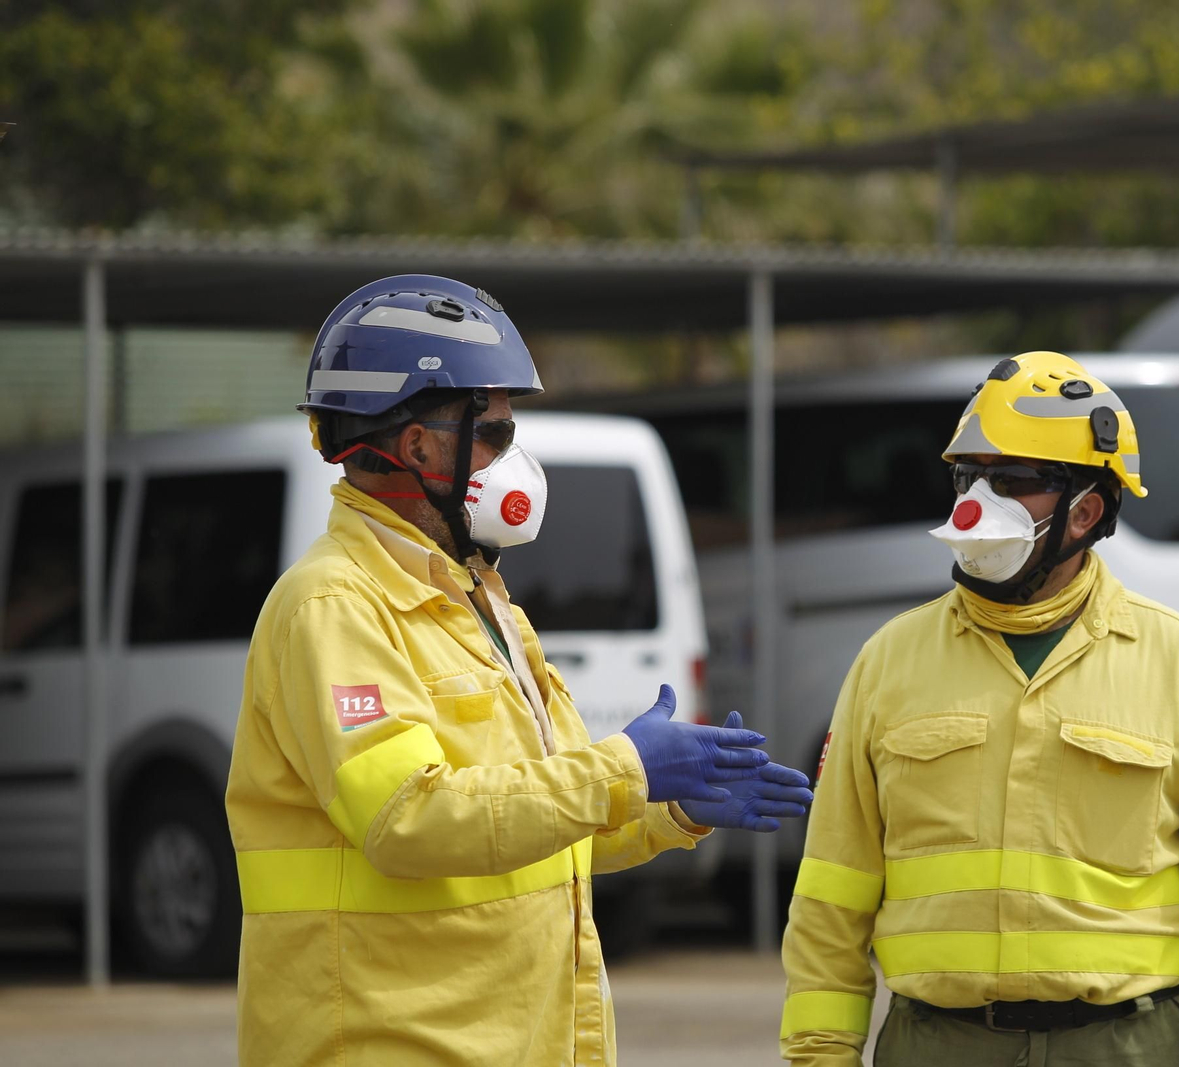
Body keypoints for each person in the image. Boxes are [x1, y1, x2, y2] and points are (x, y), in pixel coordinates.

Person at [225, 275, 813, 1067]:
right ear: (420, 444)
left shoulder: (477, 598)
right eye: (496, 430)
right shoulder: (332, 606)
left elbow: (533, 827)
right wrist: (621, 767)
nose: (513, 455)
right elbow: (409, 819)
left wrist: (663, 808)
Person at [779, 352, 1179, 1066]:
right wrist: (818, 1057)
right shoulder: (887, 662)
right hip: (937, 1043)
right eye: (969, 476)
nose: (977, 501)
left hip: (1128, 1044)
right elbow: (831, 900)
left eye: (1012, 480)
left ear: (1086, 510)